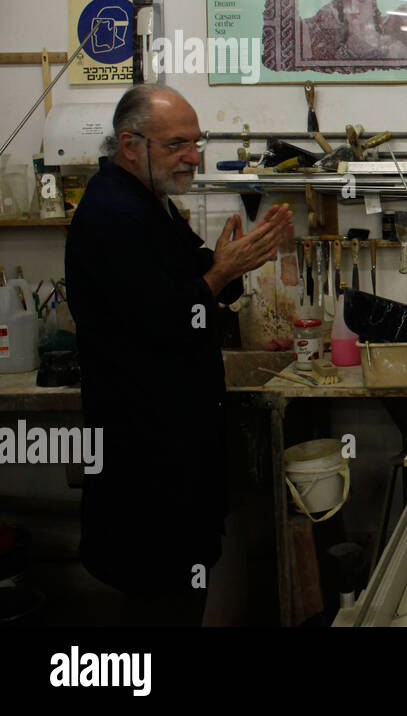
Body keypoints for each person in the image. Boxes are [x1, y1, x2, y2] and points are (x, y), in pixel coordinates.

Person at [66, 85, 292, 625]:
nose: (194, 156)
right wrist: (220, 271)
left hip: (173, 456)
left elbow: (193, 285)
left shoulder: (151, 204)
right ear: (129, 143)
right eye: (177, 145)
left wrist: (226, 267)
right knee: (158, 602)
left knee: (178, 597)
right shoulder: (114, 215)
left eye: (196, 142)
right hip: (145, 464)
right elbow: (163, 319)